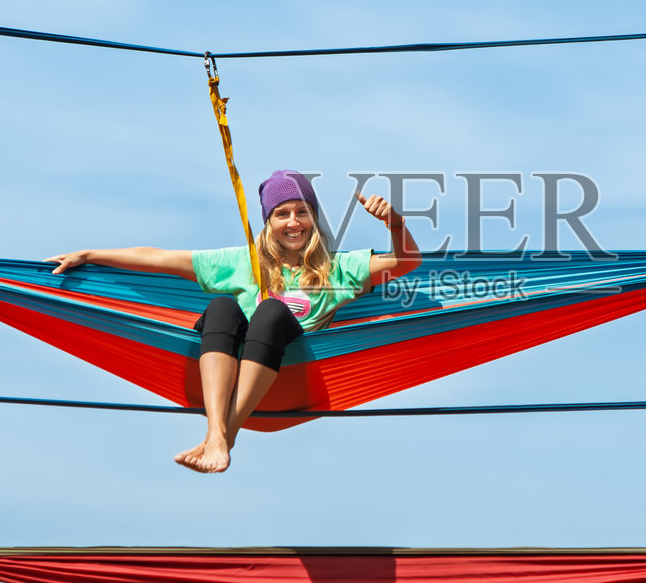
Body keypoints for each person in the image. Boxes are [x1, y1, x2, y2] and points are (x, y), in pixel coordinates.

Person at [46, 171, 420, 473]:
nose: (293, 222)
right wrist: (89, 254)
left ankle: (226, 433)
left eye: (302, 211)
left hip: (293, 377)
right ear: (269, 222)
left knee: (271, 311)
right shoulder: (242, 262)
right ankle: (216, 434)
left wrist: (394, 222)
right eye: (282, 214)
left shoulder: (339, 268)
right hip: (232, 376)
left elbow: (407, 262)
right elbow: (158, 257)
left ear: (314, 218)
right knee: (223, 307)